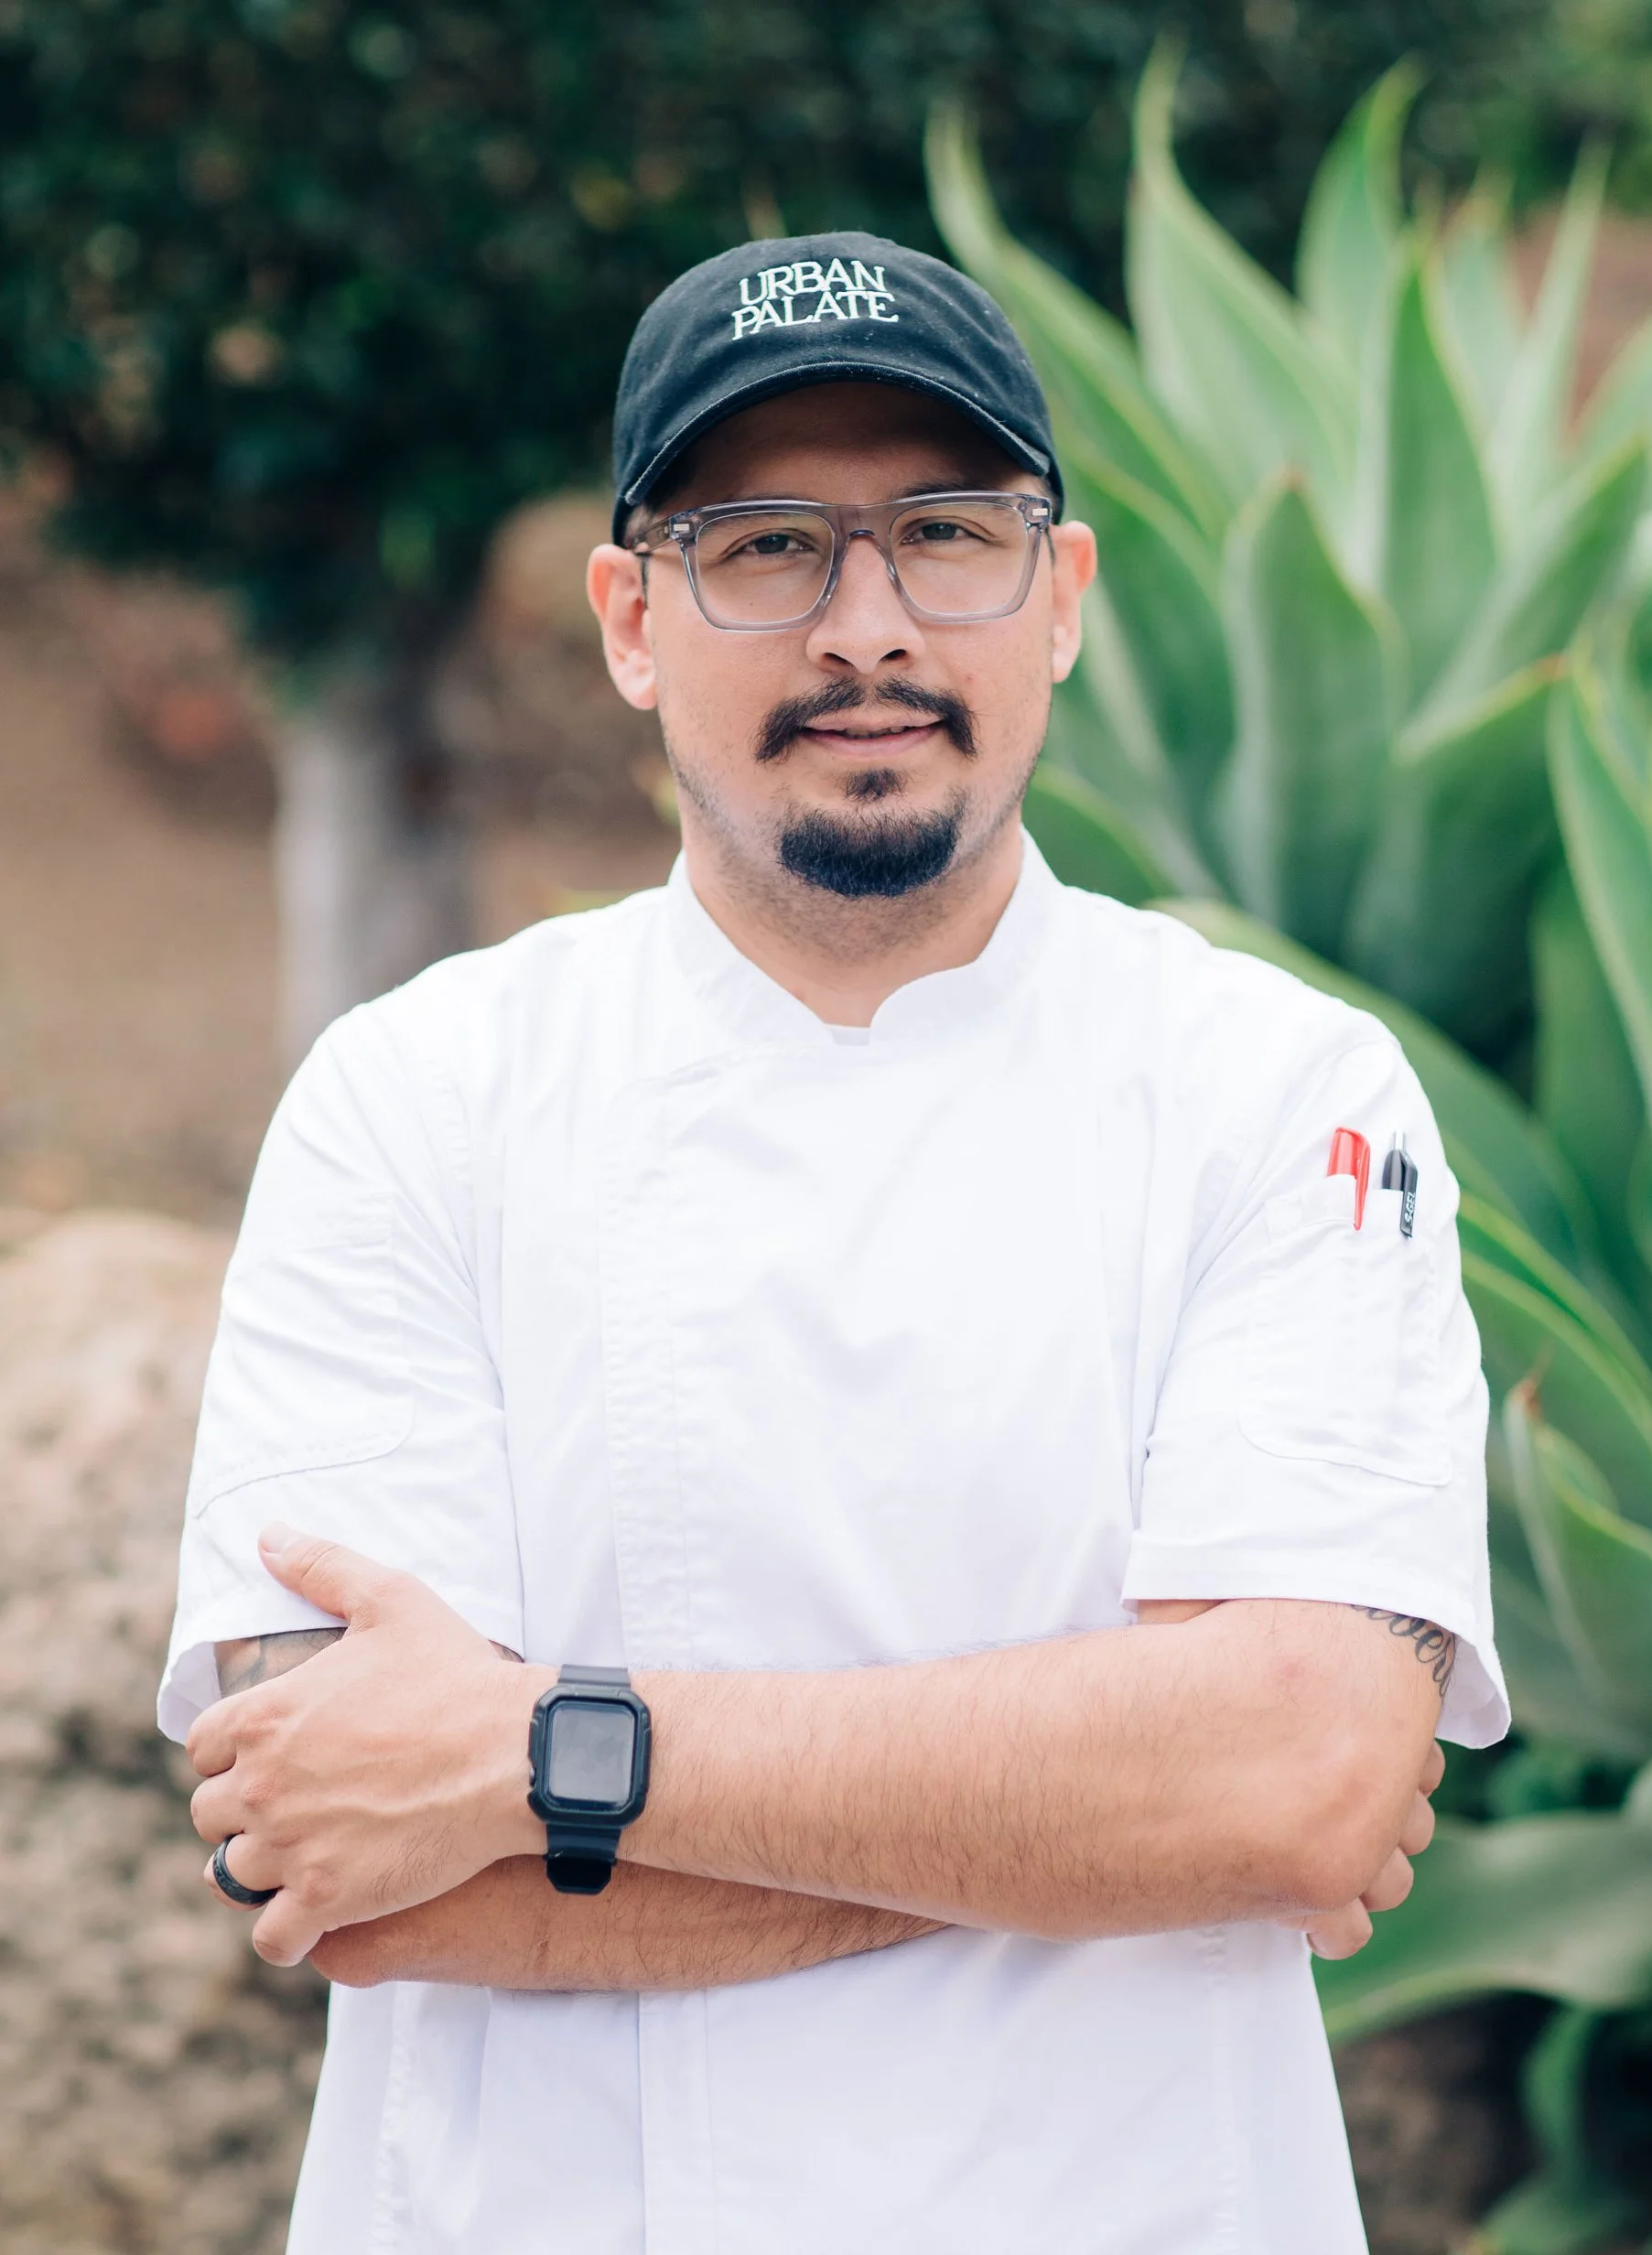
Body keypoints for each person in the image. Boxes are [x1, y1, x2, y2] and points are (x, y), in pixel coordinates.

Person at [162, 231, 1506, 2255]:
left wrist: (536, 1755)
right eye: (766, 548)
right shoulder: (412, 1102)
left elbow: (1297, 1779)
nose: (865, 629)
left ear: (1059, 599)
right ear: (631, 620)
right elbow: (347, 1859)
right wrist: (1119, 1815)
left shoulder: (1280, 1093)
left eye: (945, 535)